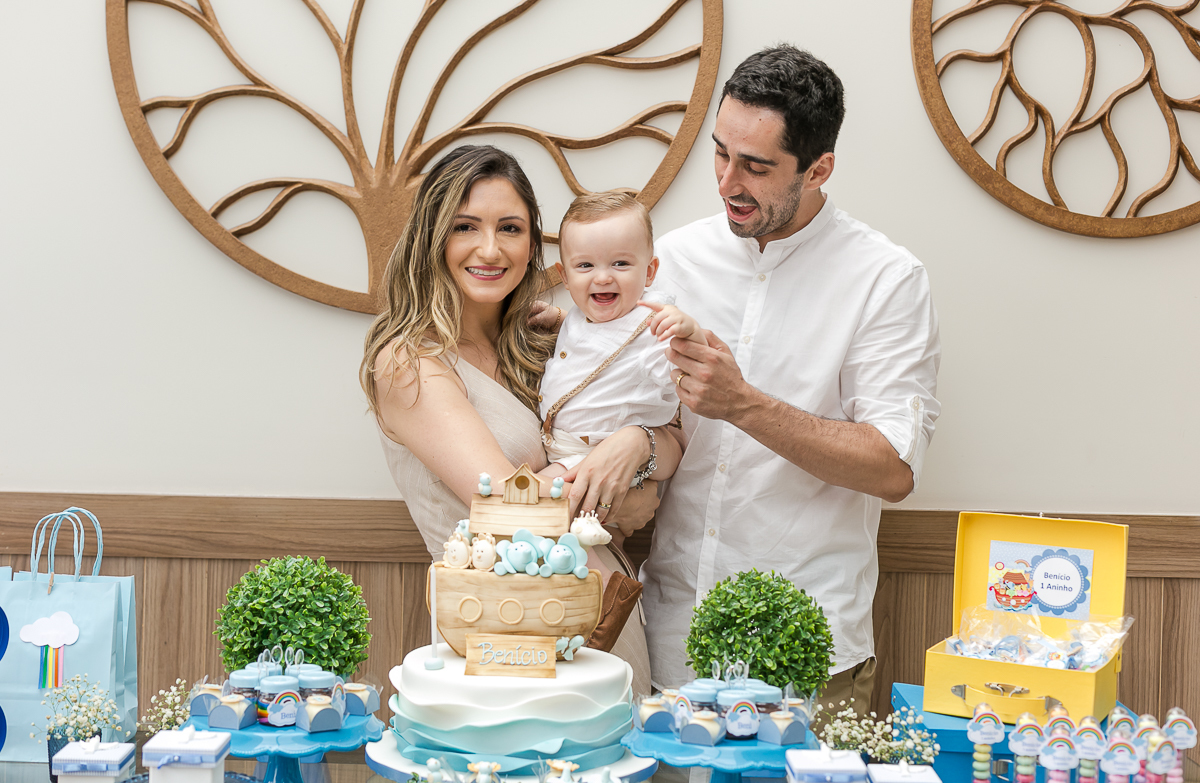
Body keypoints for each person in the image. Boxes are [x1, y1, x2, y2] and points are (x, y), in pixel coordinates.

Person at [640, 45, 942, 710]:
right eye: (720, 153)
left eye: (755, 166)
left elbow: (893, 467)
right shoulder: (669, 260)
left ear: (819, 168)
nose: (726, 181)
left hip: (810, 652)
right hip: (670, 637)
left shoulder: (886, 281)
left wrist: (744, 403)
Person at [359, 145, 674, 696]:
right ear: (432, 237)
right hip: (504, 633)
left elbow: (670, 436)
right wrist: (615, 483)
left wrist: (634, 444)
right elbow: (504, 503)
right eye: (465, 226)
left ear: (533, 244)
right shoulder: (409, 362)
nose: (490, 248)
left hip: (605, 616)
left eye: (510, 227)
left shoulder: (549, 344)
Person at [538, 192, 703, 506]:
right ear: (565, 277)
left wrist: (689, 334)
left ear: (650, 271)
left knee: (528, 496)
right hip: (565, 448)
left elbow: (687, 364)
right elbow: (591, 348)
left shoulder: (651, 329)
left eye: (621, 263)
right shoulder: (577, 315)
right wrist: (555, 321)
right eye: (585, 265)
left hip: (599, 456)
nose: (602, 276)